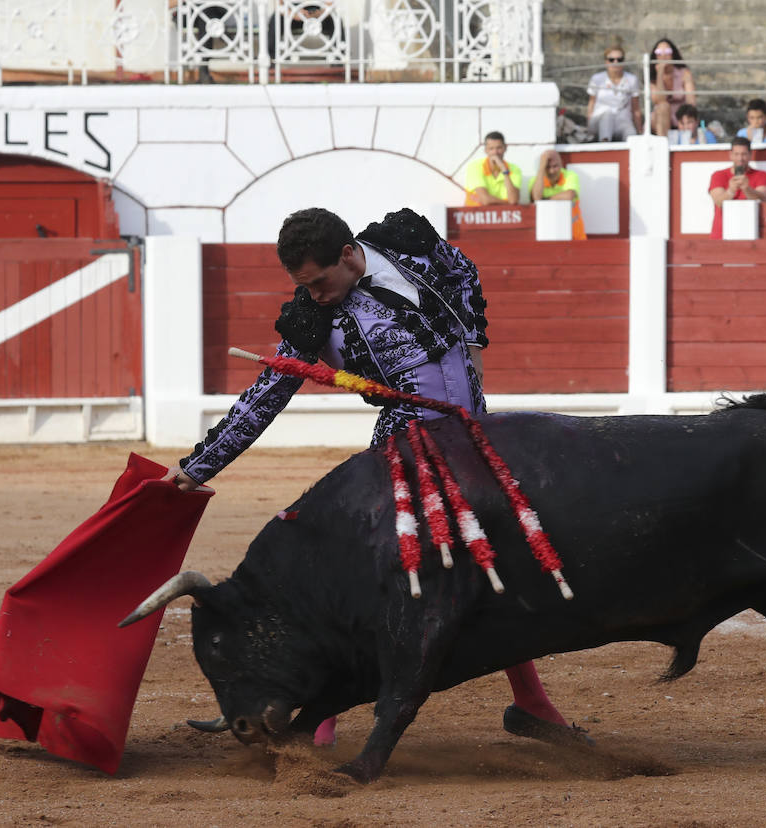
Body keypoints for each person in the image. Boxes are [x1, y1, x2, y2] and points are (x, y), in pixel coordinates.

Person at [166, 207, 587, 749]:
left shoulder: (408, 244)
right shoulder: (310, 319)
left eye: (320, 282)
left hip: (476, 435)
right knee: (374, 580)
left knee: (496, 559)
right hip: (406, 448)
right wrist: (201, 464)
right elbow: (265, 395)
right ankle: (320, 723)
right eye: (304, 286)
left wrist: (475, 341)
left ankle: (531, 704)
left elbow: (463, 271)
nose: (315, 295)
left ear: (348, 253)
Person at [707, 136, 766, 239]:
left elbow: (764, 198)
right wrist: (731, 190)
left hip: (752, 235)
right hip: (721, 235)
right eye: (736, 154)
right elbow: (718, 201)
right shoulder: (718, 175)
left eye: (744, 154)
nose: (740, 158)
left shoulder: (761, 175)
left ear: (750, 155)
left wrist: (747, 189)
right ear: (730, 155)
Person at [585, 44, 642, 142]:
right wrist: (589, 128)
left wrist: (640, 131)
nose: (615, 62)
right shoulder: (597, 79)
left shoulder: (632, 80)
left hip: (622, 120)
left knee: (631, 135)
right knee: (607, 115)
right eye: (611, 59)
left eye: (619, 59)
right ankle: (605, 146)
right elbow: (591, 104)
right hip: (599, 119)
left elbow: (635, 109)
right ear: (606, 61)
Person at [529, 149, 586, 239]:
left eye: (555, 166)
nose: (552, 171)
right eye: (547, 167)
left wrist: (545, 200)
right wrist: (541, 169)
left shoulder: (570, 175)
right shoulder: (536, 180)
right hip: (547, 236)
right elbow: (536, 197)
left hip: (574, 236)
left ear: (561, 164)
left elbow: (569, 195)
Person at [647, 37, 696, 138]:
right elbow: (659, 100)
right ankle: (662, 144)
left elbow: (691, 101)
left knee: (688, 115)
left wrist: (684, 119)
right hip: (660, 119)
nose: (664, 55)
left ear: (673, 54)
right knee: (663, 107)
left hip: (681, 117)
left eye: (667, 51)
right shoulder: (652, 77)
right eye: (659, 52)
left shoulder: (684, 73)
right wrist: (659, 74)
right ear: (655, 55)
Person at [464, 131, 521, 205]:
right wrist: (508, 203)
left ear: (505, 148)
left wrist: (504, 171)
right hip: (475, 214)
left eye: (499, 148)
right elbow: (485, 200)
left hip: (502, 215)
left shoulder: (514, 169)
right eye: (491, 148)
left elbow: (513, 200)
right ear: (485, 150)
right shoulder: (475, 166)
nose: (495, 152)